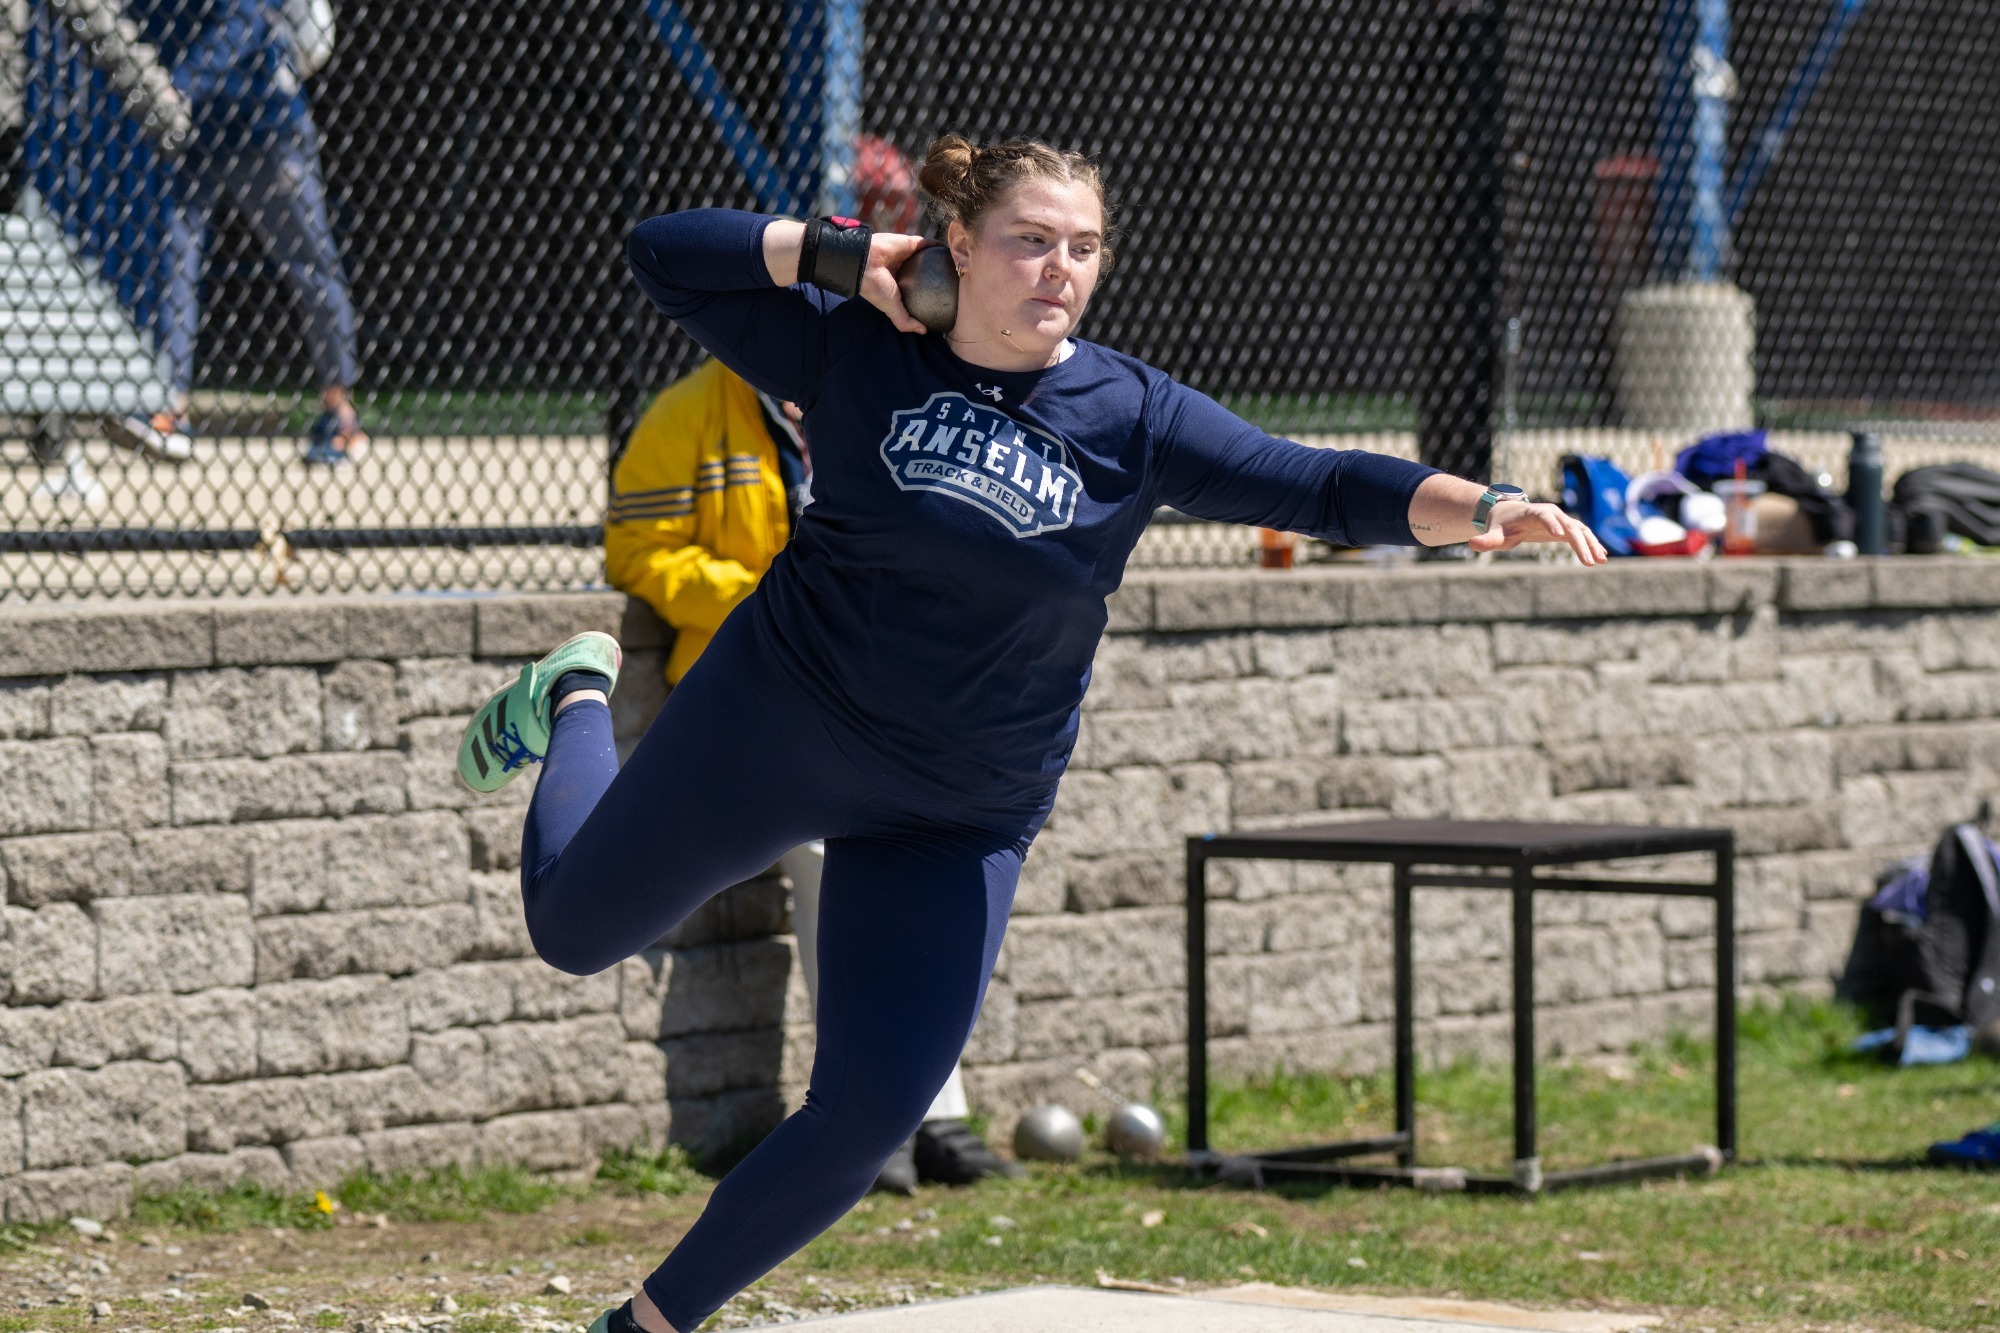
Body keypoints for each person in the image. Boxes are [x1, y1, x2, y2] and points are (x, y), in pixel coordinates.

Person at [457, 134, 1606, 1333]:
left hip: (957, 806)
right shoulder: (856, 347)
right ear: (957, 246)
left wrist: (1483, 503)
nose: (1060, 268)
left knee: (868, 1115)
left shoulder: (1133, 414)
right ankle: (576, 693)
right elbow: (664, 257)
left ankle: (642, 1327)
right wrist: (845, 255)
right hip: (781, 723)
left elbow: (1313, 482)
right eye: (1030, 241)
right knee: (573, 931)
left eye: (1083, 247)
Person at [604, 354, 1018, 1192]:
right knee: (841, 879)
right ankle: (872, 1121)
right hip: (761, 693)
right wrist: (779, 598)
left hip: (895, 693)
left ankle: (932, 1114)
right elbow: (638, 551)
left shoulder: (889, 391)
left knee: (922, 886)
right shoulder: (687, 412)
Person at [95, 0, 366, 465]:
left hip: (265, 125)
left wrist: (180, 85)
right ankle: (170, 407)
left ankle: (341, 414)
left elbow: (244, 19)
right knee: (174, 261)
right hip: (194, 130)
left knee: (309, 264)